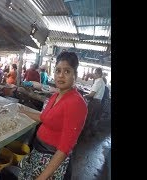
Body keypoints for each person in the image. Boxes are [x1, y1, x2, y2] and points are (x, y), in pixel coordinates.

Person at [18, 51, 88, 180]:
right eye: (58, 71)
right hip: (39, 153)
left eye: (67, 71)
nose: (61, 76)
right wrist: (23, 111)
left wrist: (42, 178)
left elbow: (64, 148)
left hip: (51, 161)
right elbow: (44, 118)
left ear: (75, 75)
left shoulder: (76, 103)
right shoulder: (56, 95)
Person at [83, 68, 106, 137]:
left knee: (88, 118)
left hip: (94, 102)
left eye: (95, 73)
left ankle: (84, 134)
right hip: (98, 102)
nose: (94, 75)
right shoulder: (102, 81)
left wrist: (84, 96)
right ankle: (92, 133)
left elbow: (92, 94)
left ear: (98, 74)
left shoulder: (98, 81)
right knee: (92, 118)